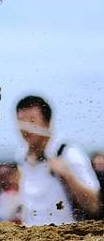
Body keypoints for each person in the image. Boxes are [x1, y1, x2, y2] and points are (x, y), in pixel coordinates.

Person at [15, 95, 100, 225]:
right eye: (21, 121)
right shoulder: (21, 155)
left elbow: (94, 204)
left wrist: (67, 175)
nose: (26, 128)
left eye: (32, 121)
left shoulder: (68, 153)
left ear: (47, 123)